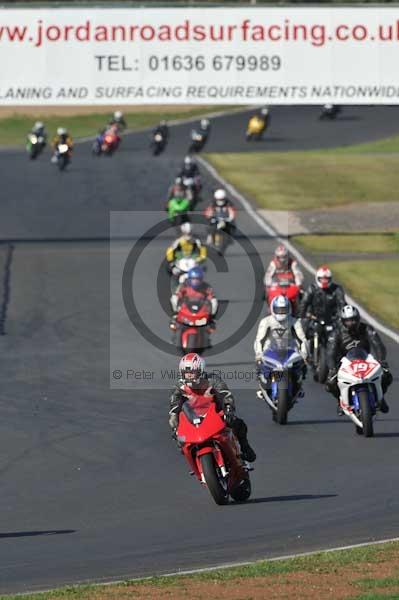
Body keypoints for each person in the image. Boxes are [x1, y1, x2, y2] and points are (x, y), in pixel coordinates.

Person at [168, 353, 256, 462]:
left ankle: (245, 448)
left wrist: (228, 408)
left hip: (215, 413)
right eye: (186, 373)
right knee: (180, 442)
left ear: (200, 371)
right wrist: (174, 422)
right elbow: (174, 406)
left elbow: (226, 394)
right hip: (192, 419)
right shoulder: (179, 387)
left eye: (192, 372)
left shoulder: (212, 380)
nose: (189, 375)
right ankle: (196, 463)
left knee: (238, 424)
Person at [326, 305, 393, 414]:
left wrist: (382, 361)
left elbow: (378, 345)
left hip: (366, 359)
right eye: (348, 321)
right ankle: (340, 400)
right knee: (331, 383)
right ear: (343, 321)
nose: (351, 323)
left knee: (386, 375)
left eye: (353, 320)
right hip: (344, 362)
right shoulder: (336, 333)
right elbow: (330, 352)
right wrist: (332, 368)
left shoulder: (367, 328)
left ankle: (381, 398)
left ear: (358, 319)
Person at [254, 295, 309, 367]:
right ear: (273, 308)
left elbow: (302, 339)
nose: (281, 312)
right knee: (262, 367)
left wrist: (304, 354)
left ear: (288, 309)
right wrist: (259, 353)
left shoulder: (294, 322)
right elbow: (259, 340)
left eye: (283, 310)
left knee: (300, 367)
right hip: (270, 351)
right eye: (278, 310)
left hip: (290, 351)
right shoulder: (266, 321)